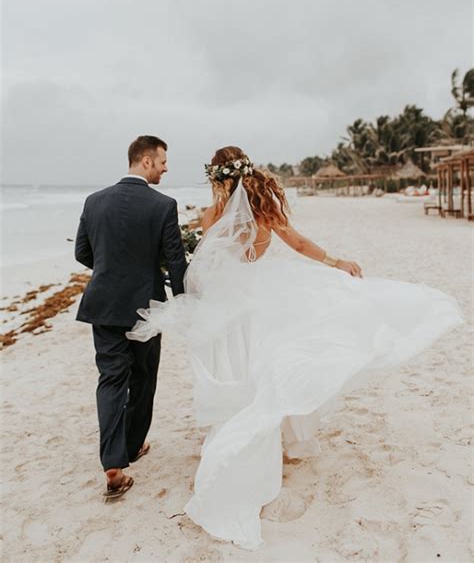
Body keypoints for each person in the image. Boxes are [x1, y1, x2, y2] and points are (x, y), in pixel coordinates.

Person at [127, 146, 463, 549]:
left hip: (227, 308)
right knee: (269, 366)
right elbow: (299, 244)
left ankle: (246, 432)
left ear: (218, 179)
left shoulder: (212, 216)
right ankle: (279, 436)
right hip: (262, 301)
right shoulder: (265, 207)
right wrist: (336, 261)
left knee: (239, 370)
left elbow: (201, 267)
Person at [75, 135, 187, 500]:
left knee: (110, 380)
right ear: (145, 161)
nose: (166, 167)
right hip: (146, 308)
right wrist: (182, 302)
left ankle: (112, 463)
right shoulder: (163, 205)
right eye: (163, 161)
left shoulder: (94, 201)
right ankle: (133, 445)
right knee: (142, 378)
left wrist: (111, 269)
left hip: (104, 305)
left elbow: (82, 252)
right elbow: (175, 261)